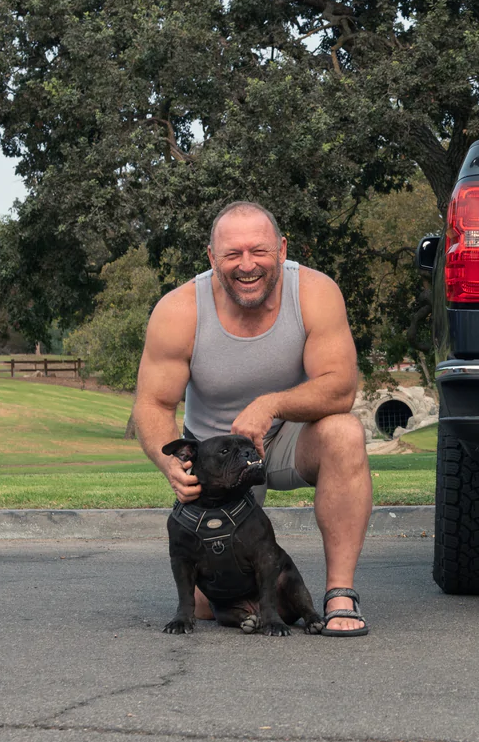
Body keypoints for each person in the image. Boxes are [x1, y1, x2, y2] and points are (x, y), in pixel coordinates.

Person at [133, 201, 372, 636]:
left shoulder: (315, 292)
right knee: (208, 606)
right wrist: (170, 463)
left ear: (281, 249)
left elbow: (340, 387)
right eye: (232, 254)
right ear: (211, 257)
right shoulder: (179, 310)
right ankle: (242, 604)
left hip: (285, 439)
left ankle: (341, 594)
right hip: (214, 457)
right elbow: (152, 405)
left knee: (345, 432)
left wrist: (271, 405)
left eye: (259, 251)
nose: (247, 265)